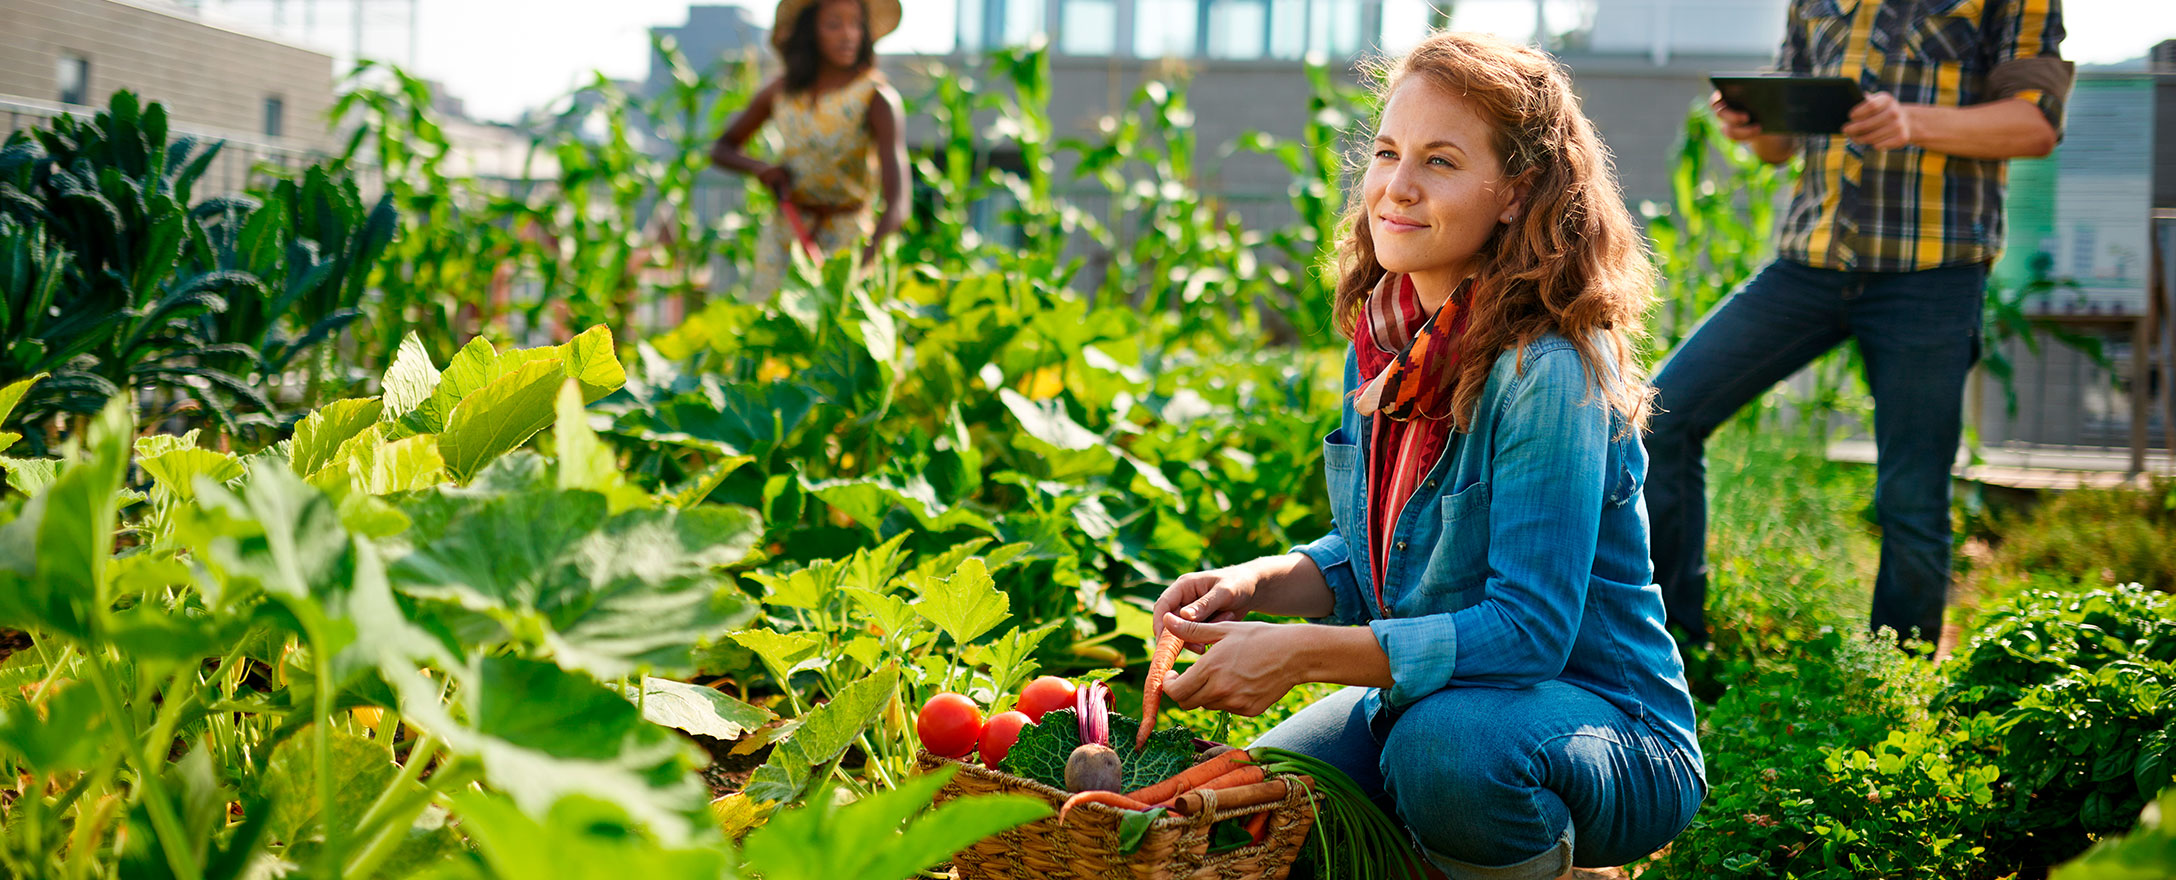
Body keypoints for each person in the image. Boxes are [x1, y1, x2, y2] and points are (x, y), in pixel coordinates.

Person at [1150, 32, 1705, 880]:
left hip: (1605, 722)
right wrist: (1257, 584)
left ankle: (1549, 855)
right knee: (1268, 806)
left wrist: (1298, 651)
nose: (1395, 188)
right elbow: (1388, 552)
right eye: (1385, 152)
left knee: (1444, 758)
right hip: (1426, 700)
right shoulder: (1386, 343)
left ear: (1516, 192)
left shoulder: (1548, 369)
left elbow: (1529, 632)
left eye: (1440, 162)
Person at [1645, 0, 2072, 651]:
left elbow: (2035, 124)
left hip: (1931, 271)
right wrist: (1754, 123)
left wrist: (1911, 121)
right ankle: (1673, 648)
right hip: (1810, 262)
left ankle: (1894, 684)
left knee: (1911, 495)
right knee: (1660, 415)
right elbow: (1778, 148)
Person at [708, 0, 908, 294]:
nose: (848, 34)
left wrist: (866, 257)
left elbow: (899, 204)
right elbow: (722, 149)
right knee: (771, 329)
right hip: (785, 235)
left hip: (847, 242)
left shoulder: (876, 97)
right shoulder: (782, 92)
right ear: (809, 31)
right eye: (834, 24)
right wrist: (762, 169)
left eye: (856, 24)